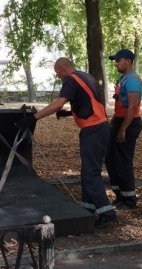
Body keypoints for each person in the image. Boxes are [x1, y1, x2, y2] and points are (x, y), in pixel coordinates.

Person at [22, 57, 117, 228]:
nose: (58, 76)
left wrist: (34, 117)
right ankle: (87, 208)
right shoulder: (85, 77)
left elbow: (58, 103)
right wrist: (69, 113)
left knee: (91, 173)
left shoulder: (71, 80)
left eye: (57, 72)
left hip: (93, 130)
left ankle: (107, 214)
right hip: (100, 127)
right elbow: (87, 102)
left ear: (63, 68)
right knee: (87, 171)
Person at [105, 49, 142, 209]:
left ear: (128, 61)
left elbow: (132, 107)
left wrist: (123, 130)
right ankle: (119, 195)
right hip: (119, 121)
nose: (116, 63)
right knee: (110, 159)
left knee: (123, 161)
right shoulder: (122, 79)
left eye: (118, 60)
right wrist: (112, 124)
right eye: (115, 61)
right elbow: (120, 108)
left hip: (129, 123)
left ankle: (129, 199)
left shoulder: (132, 80)